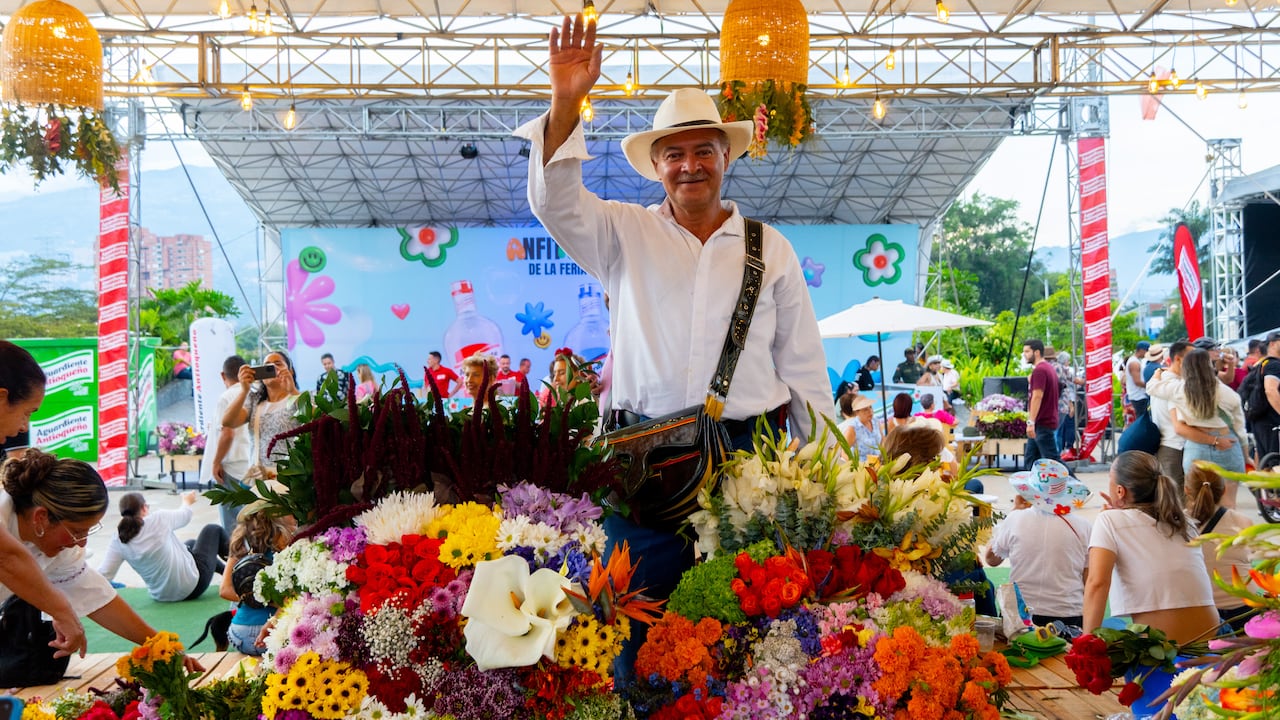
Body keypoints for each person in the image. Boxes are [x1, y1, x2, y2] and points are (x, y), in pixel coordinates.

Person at [517, 13, 833, 684]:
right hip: (642, 475)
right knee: (632, 644)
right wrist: (566, 99)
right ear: (656, 165)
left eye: (704, 150)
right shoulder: (620, 232)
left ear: (726, 156)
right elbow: (553, 201)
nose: (690, 164)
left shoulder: (768, 247)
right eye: (675, 153)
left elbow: (803, 369)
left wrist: (827, 481)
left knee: (747, 643)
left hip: (750, 467)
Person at [0, 449, 203, 670]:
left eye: (88, 532)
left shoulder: (59, 547)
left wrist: (163, 646)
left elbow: (98, 596)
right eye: (77, 531)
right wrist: (60, 610)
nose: (82, 543)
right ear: (41, 518)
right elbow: (7, 559)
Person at [1084, 451, 1218, 643]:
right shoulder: (1185, 522)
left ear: (1120, 491)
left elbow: (1097, 583)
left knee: (1112, 629)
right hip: (1211, 636)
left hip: (1163, 648)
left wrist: (1085, 645)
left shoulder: (1109, 520)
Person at [985, 460, 1092, 628]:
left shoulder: (1016, 518)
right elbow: (1089, 579)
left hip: (1021, 615)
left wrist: (1014, 511)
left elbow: (991, 559)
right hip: (1069, 614)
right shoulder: (1084, 526)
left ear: (1030, 492)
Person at [97, 491, 229, 602]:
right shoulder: (159, 519)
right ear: (144, 508)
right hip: (193, 587)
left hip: (161, 596)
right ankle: (241, 567)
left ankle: (227, 573)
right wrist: (187, 500)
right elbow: (185, 515)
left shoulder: (117, 538)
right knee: (212, 530)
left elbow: (105, 574)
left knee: (191, 544)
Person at [1163, 349, 1247, 504]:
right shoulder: (1227, 393)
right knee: (1228, 504)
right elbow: (1240, 430)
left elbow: (1180, 427)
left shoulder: (1177, 392)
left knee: (1196, 503)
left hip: (1196, 448)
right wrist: (1246, 455)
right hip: (1229, 444)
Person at [1183, 464, 1254, 632]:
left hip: (1200, 617)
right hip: (1244, 614)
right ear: (1223, 491)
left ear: (1186, 490)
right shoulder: (1243, 523)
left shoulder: (1174, 524)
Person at [220, 500, 296, 655]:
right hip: (274, 633)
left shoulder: (242, 539)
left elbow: (225, 590)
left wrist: (253, 598)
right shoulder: (285, 540)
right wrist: (272, 601)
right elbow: (293, 597)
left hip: (239, 633)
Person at [222, 351, 302, 481]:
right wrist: (244, 390)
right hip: (260, 478)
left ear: (290, 371)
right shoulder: (254, 401)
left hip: (293, 479)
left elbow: (314, 417)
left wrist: (292, 391)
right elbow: (228, 421)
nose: (273, 368)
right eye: (267, 366)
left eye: (278, 364)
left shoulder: (300, 397)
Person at [210, 355, 252, 536]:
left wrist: (216, 462)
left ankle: (237, 561)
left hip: (232, 465)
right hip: (252, 464)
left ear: (223, 375)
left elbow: (227, 432)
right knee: (253, 517)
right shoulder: (256, 392)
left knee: (234, 525)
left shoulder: (226, 397)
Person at [1145, 340, 1191, 488]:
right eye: (1191, 357)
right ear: (1178, 359)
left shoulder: (1161, 378)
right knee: (1177, 498)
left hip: (1170, 444)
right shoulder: (1173, 384)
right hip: (1174, 445)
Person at [1023, 339, 1061, 466]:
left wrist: (1031, 422)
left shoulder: (1040, 370)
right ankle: (1033, 486)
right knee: (1031, 460)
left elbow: (1037, 396)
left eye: (1027, 351)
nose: (1024, 355)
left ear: (1037, 352)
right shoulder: (1048, 368)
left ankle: (1077, 485)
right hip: (1043, 421)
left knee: (1054, 461)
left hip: (1042, 422)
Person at [1254, 331, 1280, 461]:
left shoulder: (1262, 364)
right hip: (1272, 422)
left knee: (1267, 463)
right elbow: (1270, 390)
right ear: (1273, 344)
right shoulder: (1274, 365)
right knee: (1275, 464)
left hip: (1261, 420)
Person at [839, 394, 881, 462]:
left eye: (870, 407)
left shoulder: (876, 421)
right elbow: (843, 452)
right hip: (863, 467)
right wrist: (855, 465)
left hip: (879, 464)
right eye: (865, 409)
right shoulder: (853, 428)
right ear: (857, 413)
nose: (870, 411)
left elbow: (882, 441)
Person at [1125, 341, 1151, 418]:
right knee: (1142, 419)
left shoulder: (1135, 361)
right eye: (1147, 351)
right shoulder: (1134, 363)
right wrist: (1150, 386)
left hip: (1138, 395)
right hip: (1138, 396)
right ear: (1141, 350)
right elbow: (1137, 382)